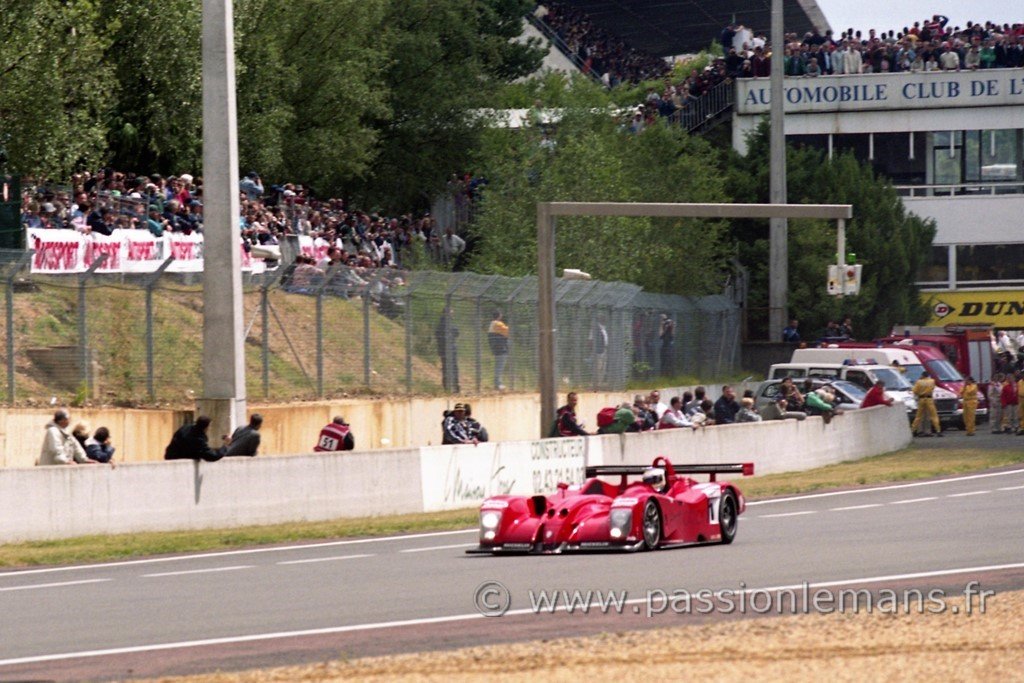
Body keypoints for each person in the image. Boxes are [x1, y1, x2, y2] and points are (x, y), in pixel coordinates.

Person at [164, 416, 229, 461]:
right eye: (209, 426)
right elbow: (211, 456)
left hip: (170, 456)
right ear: (206, 427)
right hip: (180, 462)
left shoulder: (186, 428)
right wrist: (225, 445)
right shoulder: (198, 439)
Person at [435, 305, 460, 393]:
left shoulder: (440, 324)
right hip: (450, 348)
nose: (453, 315)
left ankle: (446, 387)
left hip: (443, 349)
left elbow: (437, 334)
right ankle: (455, 386)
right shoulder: (449, 324)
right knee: (453, 368)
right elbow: (456, 332)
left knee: (445, 367)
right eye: (451, 313)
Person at [911, 371, 943, 437]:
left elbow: (914, 391)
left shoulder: (919, 382)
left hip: (921, 399)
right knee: (934, 415)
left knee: (918, 416)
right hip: (929, 399)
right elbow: (933, 388)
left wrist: (919, 392)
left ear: (922, 375)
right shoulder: (932, 381)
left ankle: (913, 430)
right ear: (928, 375)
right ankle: (938, 430)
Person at [487, 310, 509, 390]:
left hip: (496, 347)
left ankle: (498, 383)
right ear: (499, 316)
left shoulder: (492, 324)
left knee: (498, 366)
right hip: (501, 348)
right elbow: (508, 332)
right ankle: (498, 384)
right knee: (500, 366)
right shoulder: (498, 324)